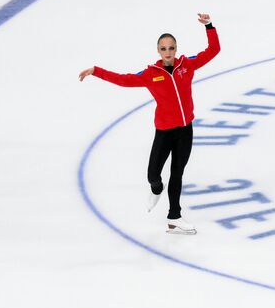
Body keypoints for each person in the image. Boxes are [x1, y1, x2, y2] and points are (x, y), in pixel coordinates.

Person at [80, 14, 220, 235]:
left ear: (176, 49)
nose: (168, 52)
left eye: (171, 48)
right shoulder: (150, 74)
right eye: (163, 49)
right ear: (158, 51)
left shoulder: (187, 65)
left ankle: (174, 217)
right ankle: (156, 188)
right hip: (164, 132)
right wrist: (97, 71)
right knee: (153, 174)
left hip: (185, 130)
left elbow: (213, 50)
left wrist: (209, 26)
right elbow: (124, 79)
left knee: (177, 173)